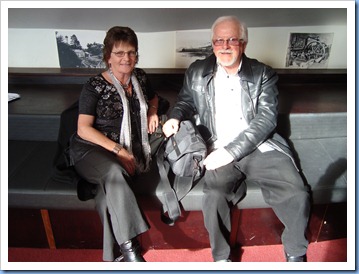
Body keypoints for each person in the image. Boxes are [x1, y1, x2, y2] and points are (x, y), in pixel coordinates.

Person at [162, 16, 311, 262]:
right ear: (212, 44)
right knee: (214, 195)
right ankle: (222, 259)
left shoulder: (264, 74)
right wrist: (176, 117)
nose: (225, 45)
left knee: (296, 192)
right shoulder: (197, 71)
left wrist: (230, 152)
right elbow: (186, 101)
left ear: (243, 43)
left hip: (258, 146)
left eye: (232, 39)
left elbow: (265, 120)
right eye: (219, 40)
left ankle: (296, 253)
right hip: (217, 145)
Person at [69, 26, 160, 262]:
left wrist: (151, 111)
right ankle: (131, 250)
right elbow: (83, 129)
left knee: (108, 189)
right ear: (108, 55)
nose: (126, 58)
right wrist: (119, 151)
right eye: (119, 53)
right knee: (115, 171)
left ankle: (117, 254)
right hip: (91, 148)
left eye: (131, 52)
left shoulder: (139, 76)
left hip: (127, 144)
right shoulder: (94, 86)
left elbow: (153, 97)